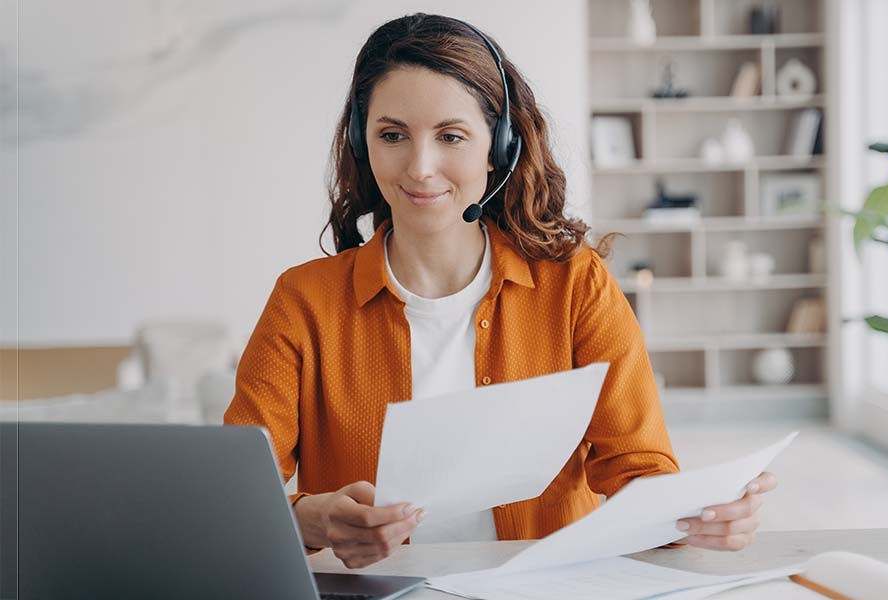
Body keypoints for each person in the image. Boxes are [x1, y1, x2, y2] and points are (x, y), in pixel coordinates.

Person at [225, 13, 776, 570]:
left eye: (451, 136)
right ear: (362, 143)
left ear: (499, 147)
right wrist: (308, 519)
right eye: (392, 135)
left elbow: (641, 474)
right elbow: (237, 500)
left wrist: (697, 517)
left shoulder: (574, 286)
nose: (420, 167)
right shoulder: (303, 301)